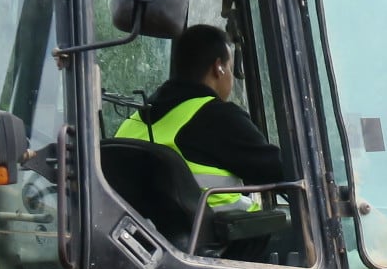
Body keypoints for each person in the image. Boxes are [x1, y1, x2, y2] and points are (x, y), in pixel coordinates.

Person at [116, 24, 283, 208]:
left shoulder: (132, 122)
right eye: (230, 68)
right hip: (227, 234)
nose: (231, 78)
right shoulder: (218, 118)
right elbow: (280, 170)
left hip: (143, 234)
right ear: (218, 67)